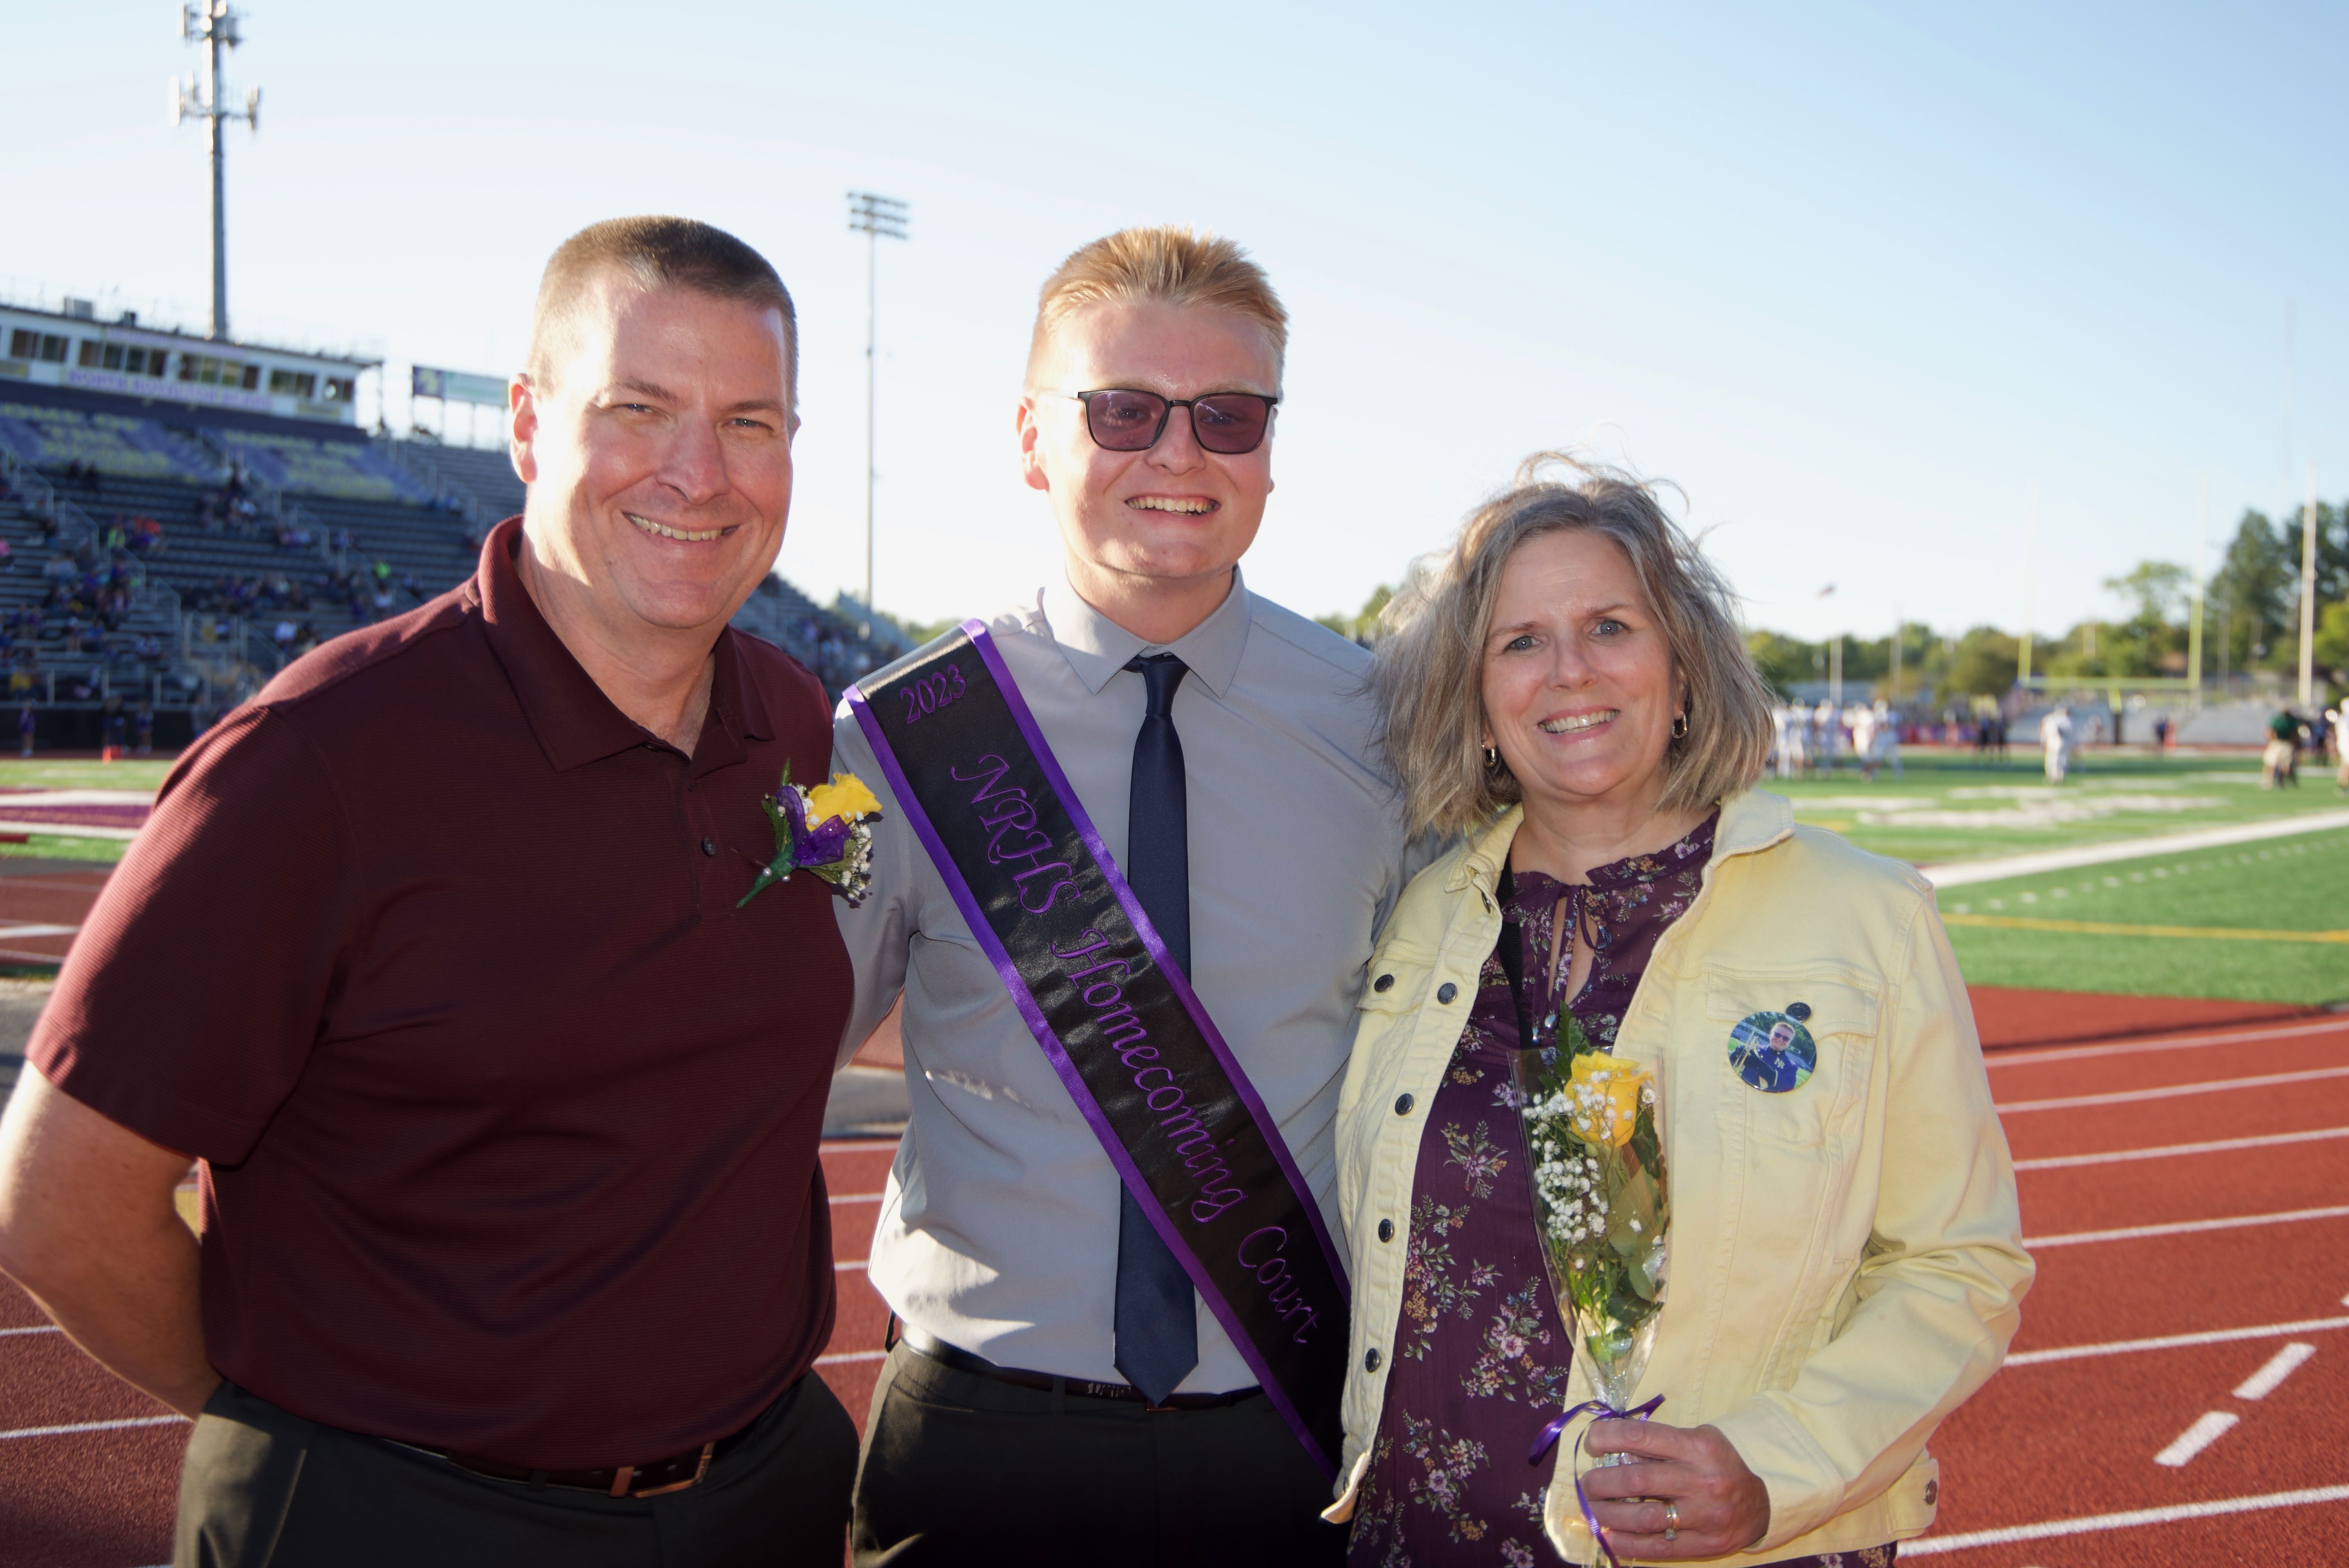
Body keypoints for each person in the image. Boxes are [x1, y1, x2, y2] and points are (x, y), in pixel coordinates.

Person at [0, 217, 859, 1566]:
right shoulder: (321, 757)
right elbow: (60, 1196)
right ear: (528, 425)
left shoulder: (795, 722)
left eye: (749, 421)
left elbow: (795, 969)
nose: (699, 473)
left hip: (759, 1494)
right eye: (636, 409)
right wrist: (298, 1432)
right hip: (402, 1516)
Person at [830, 226, 1430, 1566]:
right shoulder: (896, 736)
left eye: (1226, 415)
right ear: (1034, 440)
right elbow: (789, 1038)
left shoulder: (1388, 731)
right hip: (980, 1435)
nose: (1176, 453)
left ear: (1270, 451)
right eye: (1122, 410)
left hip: (1285, 1425)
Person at [1327, 457, 2030, 1565]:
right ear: (1472, 699)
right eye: (1519, 642)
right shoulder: (1422, 919)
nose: (1568, 672)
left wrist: (1776, 1466)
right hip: (1423, 1538)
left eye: (1610, 626)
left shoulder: (1868, 919)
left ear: (1685, 666)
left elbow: (1957, 1266)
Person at [2263, 707, 2300, 789]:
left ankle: (2280, 780)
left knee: (2283, 765)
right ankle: (2272, 781)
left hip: (2285, 743)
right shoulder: (2282, 720)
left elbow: (2270, 732)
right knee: (2273, 764)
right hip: (2281, 743)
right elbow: (2270, 732)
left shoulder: (2290, 721)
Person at [2039, 702, 2072, 784]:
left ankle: (2053, 776)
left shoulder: (2049, 719)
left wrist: (2043, 741)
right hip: (2060, 741)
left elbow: (2044, 732)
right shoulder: (2064, 720)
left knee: (2052, 760)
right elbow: (2068, 732)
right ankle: (2057, 776)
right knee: (2059, 760)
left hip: (2052, 741)